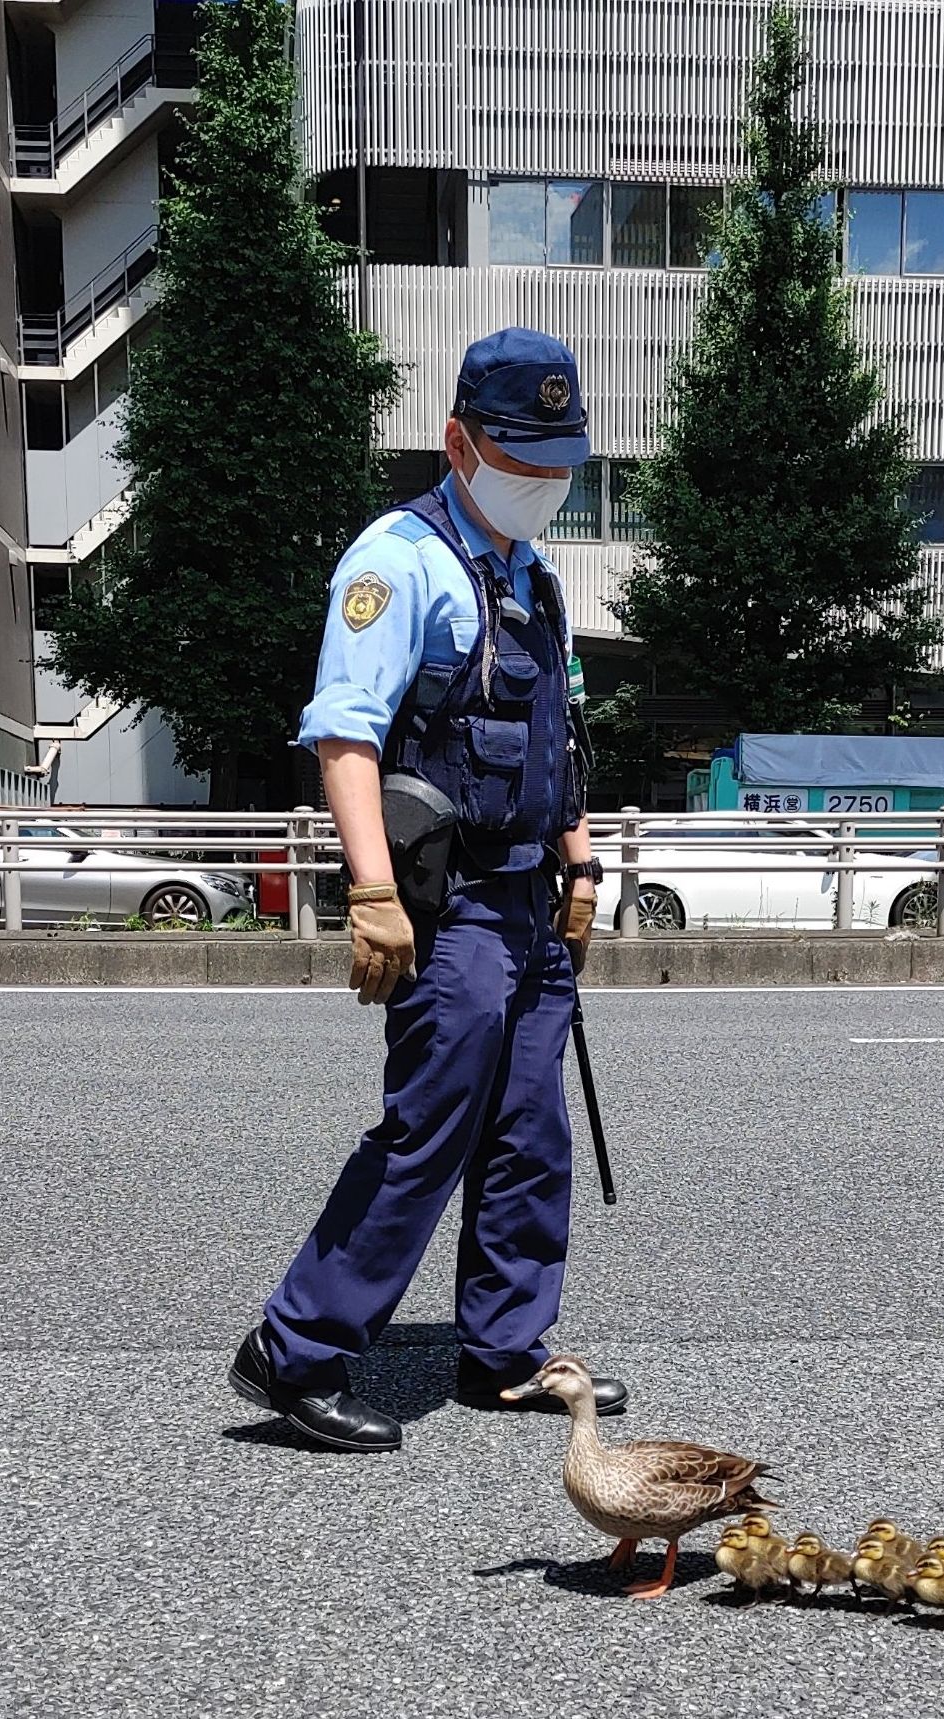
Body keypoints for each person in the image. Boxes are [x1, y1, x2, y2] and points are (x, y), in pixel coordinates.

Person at [228, 327, 627, 1451]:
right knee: (428, 1133)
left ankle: (503, 1351)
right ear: (459, 442)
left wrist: (581, 861)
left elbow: (558, 739)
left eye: (561, 463)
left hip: (530, 902)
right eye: (522, 459)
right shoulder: (393, 564)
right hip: (444, 909)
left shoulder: (533, 576)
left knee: (528, 1134)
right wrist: (371, 896)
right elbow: (345, 739)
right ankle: (294, 1352)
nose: (545, 484)